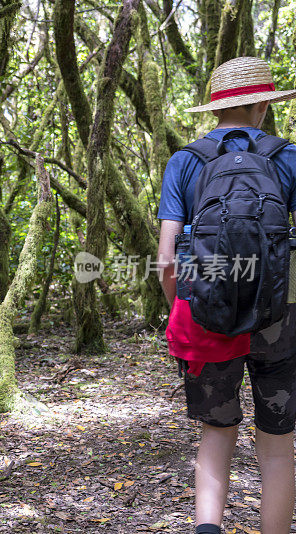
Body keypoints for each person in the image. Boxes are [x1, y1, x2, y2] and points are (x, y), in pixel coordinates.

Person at [157, 56, 296, 534]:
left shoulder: (185, 162)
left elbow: (167, 260)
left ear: (215, 110)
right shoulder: (289, 158)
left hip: (208, 309)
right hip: (281, 315)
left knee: (216, 434)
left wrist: (186, 306)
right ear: (261, 104)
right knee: (277, 442)